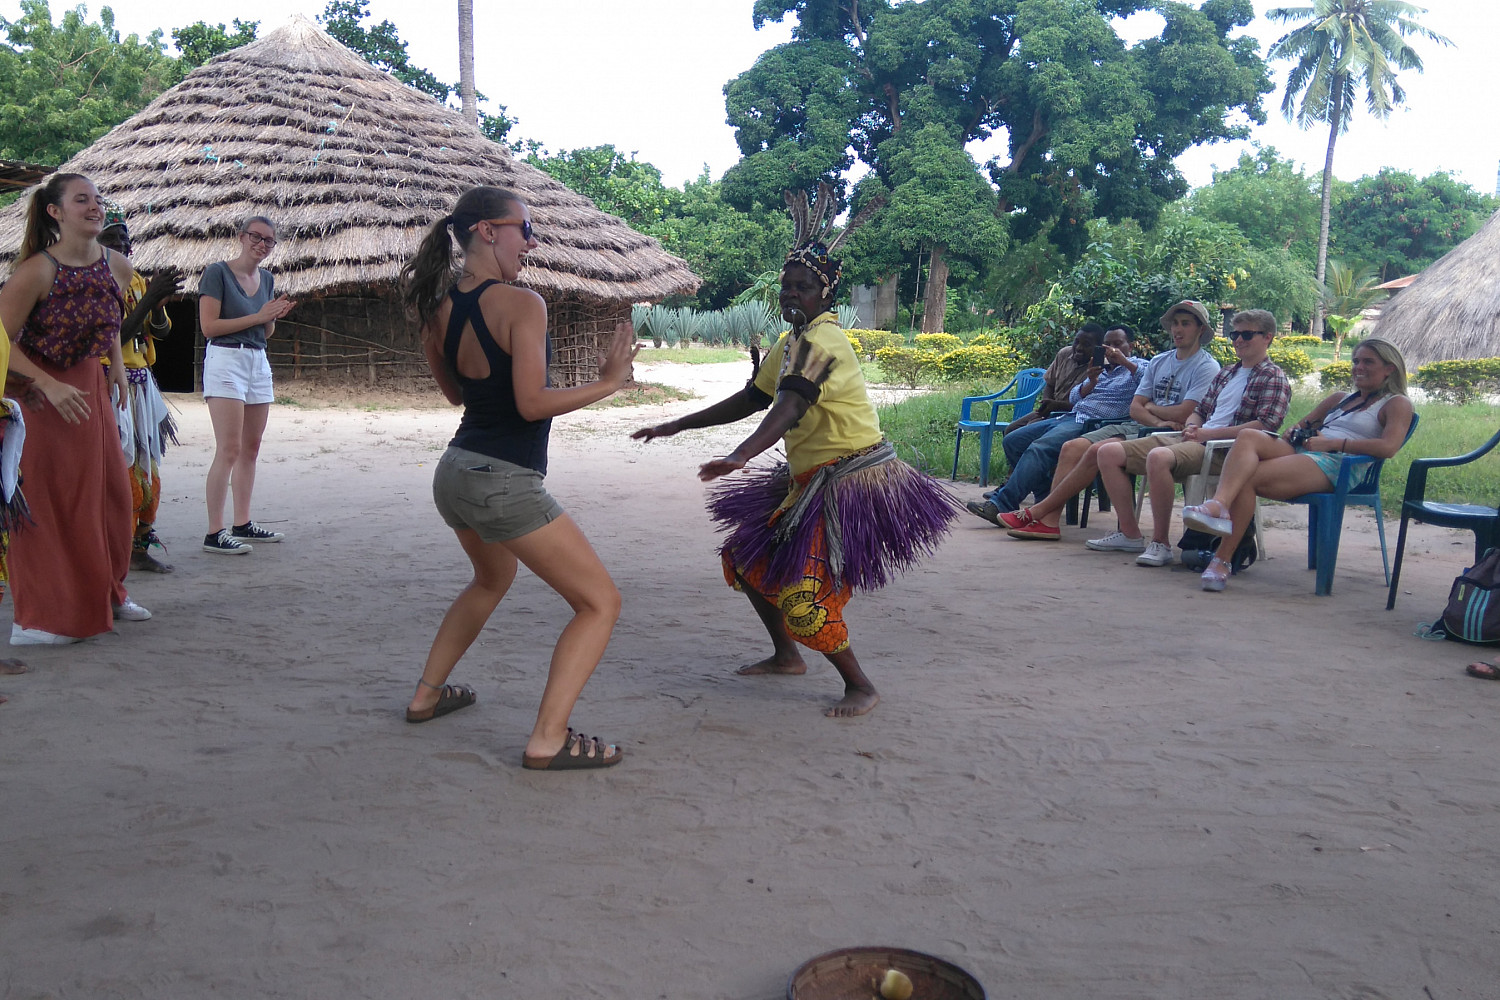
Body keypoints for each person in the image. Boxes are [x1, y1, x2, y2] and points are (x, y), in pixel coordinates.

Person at [632, 202, 957, 718]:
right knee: (743, 561)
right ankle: (787, 657)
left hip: (851, 484)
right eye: (786, 288)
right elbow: (752, 399)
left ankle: (860, 686)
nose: (791, 295)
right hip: (809, 482)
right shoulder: (793, 340)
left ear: (825, 291)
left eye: (802, 287)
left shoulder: (823, 340)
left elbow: (790, 405)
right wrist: (676, 424)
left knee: (807, 603)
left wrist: (740, 456)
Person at [400, 185, 637, 770]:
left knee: (490, 578)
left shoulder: (438, 306)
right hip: (501, 480)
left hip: (454, 474)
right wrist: (608, 382)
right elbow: (530, 404)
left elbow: (457, 393)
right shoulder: (522, 303)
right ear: (487, 230)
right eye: (524, 229)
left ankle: (426, 696)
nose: (531, 242)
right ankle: (548, 740)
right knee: (599, 603)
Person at [0, 172, 150, 644]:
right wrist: (47, 382)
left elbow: (108, 320)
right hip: (38, 391)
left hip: (90, 385)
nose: (94, 206)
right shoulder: (37, 270)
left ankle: (107, 591)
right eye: (81, 199)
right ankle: (41, 617)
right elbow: (1, 340)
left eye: (98, 199)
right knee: (53, 502)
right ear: (55, 211)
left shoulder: (118, 265)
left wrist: (116, 369)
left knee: (110, 497)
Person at [1182, 338, 1414, 592]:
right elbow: (1300, 427)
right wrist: (1297, 431)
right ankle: (1219, 506)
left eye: (1368, 361)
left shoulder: (1396, 403)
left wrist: (1335, 443)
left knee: (1247, 478)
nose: (1359, 367)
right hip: (1306, 450)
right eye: (1356, 361)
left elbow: (1388, 448)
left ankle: (1221, 558)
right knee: (1248, 437)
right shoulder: (1340, 398)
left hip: (1337, 462)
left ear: (1390, 368)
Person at [1077, 308, 1291, 567]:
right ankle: (1130, 534)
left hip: (1227, 451)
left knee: (1158, 457)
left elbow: (1264, 426)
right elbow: (1200, 410)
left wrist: (1206, 433)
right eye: (1235, 334)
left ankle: (1161, 543)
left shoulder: (1272, 376)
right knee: (1107, 452)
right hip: (1195, 438)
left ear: (1267, 337)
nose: (1238, 340)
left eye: (1247, 334)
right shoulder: (1227, 373)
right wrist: (1192, 426)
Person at [995, 307, 1222, 540]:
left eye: (1185, 323)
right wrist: (1156, 416)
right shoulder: (1159, 361)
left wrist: (1151, 408)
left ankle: (1034, 511)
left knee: (1089, 450)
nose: (1178, 329)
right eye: (1175, 323)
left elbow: (1185, 412)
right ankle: (1048, 521)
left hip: (1163, 432)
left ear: (1200, 329)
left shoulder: (1204, 366)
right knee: (1070, 447)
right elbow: (1136, 407)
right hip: (1135, 424)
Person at [968, 324, 1144, 523]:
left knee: (1039, 448)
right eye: (1108, 344)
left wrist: (1125, 362)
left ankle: (1003, 503)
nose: (1112, 349)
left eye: (1118, 344)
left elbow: (1147, 381)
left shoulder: (1141, 366)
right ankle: (1044, 496)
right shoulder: (1101, 370)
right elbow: (1075, 396)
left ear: (1130, 345)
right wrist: (1092, 381)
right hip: (1069, 416)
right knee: (1013, 440)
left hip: (1093, 425)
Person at [198, 216, 295, 554]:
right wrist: (259, 316)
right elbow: (209, 327)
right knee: (228, 449)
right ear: (241, 237)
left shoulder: (266, 278)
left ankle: (243, 523)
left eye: (270, 240)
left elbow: (264, 332)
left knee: (251, 448)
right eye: (256, 237)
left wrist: (272, 316)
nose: (262, 245)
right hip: (226, 359)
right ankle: (215, 531)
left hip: (257, 359)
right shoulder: (217, 273)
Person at [97, 202, 184, 573]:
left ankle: (138, 546)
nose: (123, 244)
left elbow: (160, 333)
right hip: (111, 384)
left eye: (126, 238)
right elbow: (111, 340)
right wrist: (149, 298)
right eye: (113, 238)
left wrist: (159, 305)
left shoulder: (134, 279)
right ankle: (115, 550)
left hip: (142, 383)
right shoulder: (97, 281)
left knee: (150, 467)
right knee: (125, 469)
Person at [1000, 325, 1098, 434]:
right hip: (1050, 410)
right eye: (1077, 342)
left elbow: (1090, 407)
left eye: (1087, 345)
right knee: (1010, 430)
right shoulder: (1064, 354)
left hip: (1073, 416)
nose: (1079, 347)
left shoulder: (1099, 369)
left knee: (1027, 431)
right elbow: (1050, 384)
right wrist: (1046, 406)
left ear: (1099, 348)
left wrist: (1056, 406)